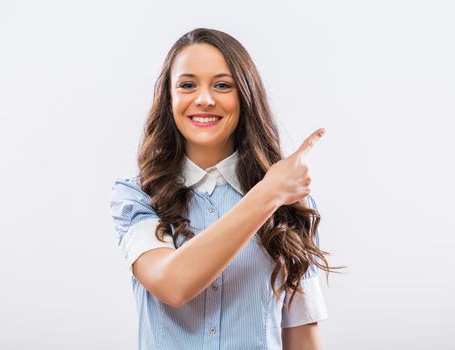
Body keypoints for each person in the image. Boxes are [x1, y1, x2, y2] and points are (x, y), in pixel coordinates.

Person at [109, 27, 342, 350]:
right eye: (188, 85)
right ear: (169, 97)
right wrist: (267, 194)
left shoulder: (290, 201)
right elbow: (172, 284)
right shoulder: (137, 197)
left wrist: (276, 195)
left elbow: (302, 337)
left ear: (245, 96)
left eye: (222, 85)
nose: (204, 100)